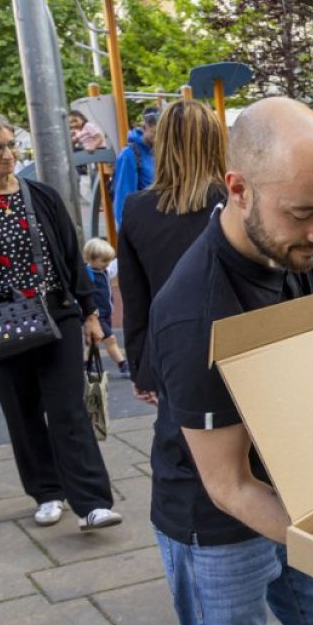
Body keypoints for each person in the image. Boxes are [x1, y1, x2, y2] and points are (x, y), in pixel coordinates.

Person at [145, 97, 313, 625]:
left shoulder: (297, 253)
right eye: (303, 213)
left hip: (296, 487)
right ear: (239, 190)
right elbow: (229, 486)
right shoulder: (196, 314)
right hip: (219, 523)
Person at [0, 110, 122, 531]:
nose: (8, 154)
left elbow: (71, 256)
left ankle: (92, 502)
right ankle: (47, 492)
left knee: (68, 408)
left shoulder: (41, 196)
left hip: (56, 313)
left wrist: (90, 313)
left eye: (11, 144)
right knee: (22, 412)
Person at [117, 99, 228, 404]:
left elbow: (135, 298)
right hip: (232, 347)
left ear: (162, 143)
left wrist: (141, 368)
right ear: (215, 142)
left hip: (170, 351)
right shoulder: (235, 202)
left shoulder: (137, 209)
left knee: (176, 429)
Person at [82, 238, 128, 377]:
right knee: (110, 339)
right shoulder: (88, 274)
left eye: (108, 260)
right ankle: (123, 365)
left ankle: (87, 364)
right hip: (96, 315)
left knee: (94, 342)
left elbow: (116, 265)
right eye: (104, 260)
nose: (107, 263)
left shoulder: (105, 271)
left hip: (106, 314)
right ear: (91, 259)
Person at [113, 107, 159, 226]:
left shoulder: (160, 151)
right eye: (155, 133)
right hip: (143, 224)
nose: (159, 139)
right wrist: (125, 232)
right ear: (144, 128)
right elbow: (123, 200)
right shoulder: (129, 154)